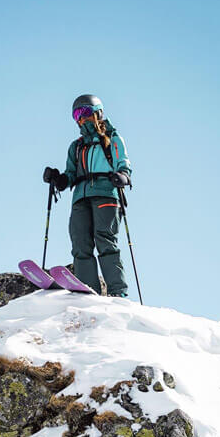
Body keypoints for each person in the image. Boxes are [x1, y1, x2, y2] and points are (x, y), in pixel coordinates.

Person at [44, 94, 132, 296]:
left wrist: (123, 176)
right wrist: (58, 179)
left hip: (105, 194)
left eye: (84, 112)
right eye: (76, 114)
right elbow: (70, 174)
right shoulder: (76, 147)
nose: (81, 119)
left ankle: (117, 292)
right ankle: (88, 289)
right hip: (80, 198)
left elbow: (124, 163)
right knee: (80, 242)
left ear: (97, 112)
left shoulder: (112, 139)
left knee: (105, 240)